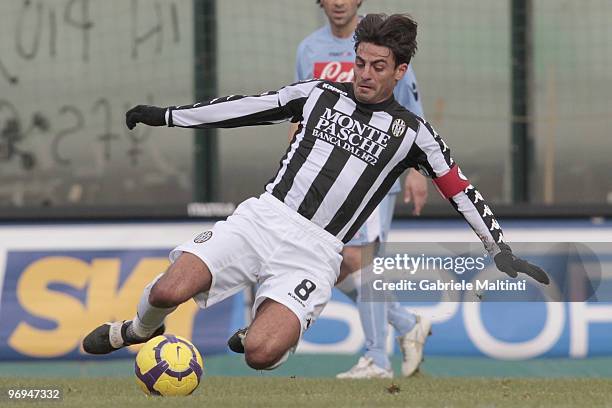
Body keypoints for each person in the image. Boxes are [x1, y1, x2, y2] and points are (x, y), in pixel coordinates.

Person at [82, 14, 550, 374]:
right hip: (263, 220)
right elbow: (245, 108)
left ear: (400, 72)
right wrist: (167, 116)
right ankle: (137, 330)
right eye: (360, 62)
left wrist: (500, 249)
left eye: (378, 67)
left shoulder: (414, 135)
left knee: (260, 355)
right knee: (167, 289)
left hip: (316, 252)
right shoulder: (319, 94)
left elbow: (460, 190)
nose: (364, 74)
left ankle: (276, 333)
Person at [293, 0, 430, 379]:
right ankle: (405, 323)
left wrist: (417, 172)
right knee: (332, 262)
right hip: (327, 177)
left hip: (374, 175)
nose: (338, 2)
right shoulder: (309, 49)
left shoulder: (383, 51)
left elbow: (413, 113)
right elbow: (301, 110)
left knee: (362, 258)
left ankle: (376, 360)